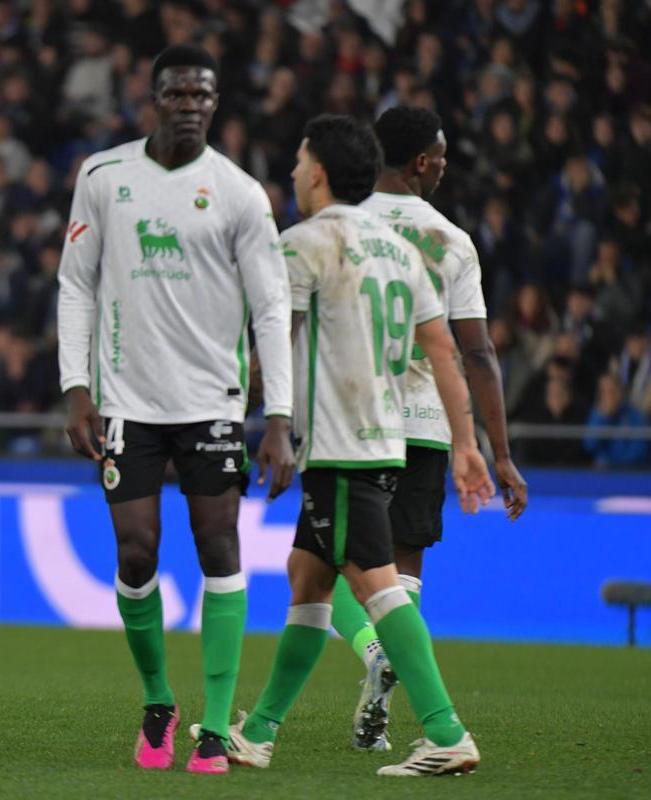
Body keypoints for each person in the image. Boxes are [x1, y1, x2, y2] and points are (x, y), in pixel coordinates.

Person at [207, 115, 494, 777]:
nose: (292, 172)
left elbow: (276, 343)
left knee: (377, 586)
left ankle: (447, 732)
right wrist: (466, 442)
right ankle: (261, 732)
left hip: (336, 445)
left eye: (300, 160)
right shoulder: (402, 250)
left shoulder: (304, 245)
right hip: (384, 437)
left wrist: (247, 414)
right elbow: (444, 351)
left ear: (321, 172)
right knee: (307, 580)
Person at [57, 44, 295, 775]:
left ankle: (217, 728)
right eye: (177, 93)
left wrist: (279, 416)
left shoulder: (239, 192)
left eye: (202, 96)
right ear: (153, 97)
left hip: (214, 404)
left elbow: (271, 306)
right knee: (135, 552)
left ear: (214, 104)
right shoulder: (103, 176)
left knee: (219, 544)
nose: (189, 105)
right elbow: (77, 284)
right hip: (127, 401)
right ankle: (159, 701)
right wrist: (76, 386)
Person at [329, 105, 529, 751]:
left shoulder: (342, 226)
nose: (444, 164)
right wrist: (499, 453)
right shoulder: (450, 241)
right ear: (421, 161)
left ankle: (373, 655)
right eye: (441, 154)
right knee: (402, 576)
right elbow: (478, 355)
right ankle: (394, 688)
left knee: (331, 571)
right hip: (426, 425)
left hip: (352, 423)